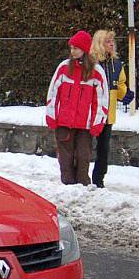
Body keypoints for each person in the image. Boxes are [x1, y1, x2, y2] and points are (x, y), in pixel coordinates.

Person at [45, 30, 109, 186]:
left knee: (83, 157)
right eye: (71, 48)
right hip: (64, 123)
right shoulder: (63, 68)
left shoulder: (97, 72)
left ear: (85, 49)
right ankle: (67, 186)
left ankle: (82, 186)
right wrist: (51, 116)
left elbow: (101, 100)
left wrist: (98, 122)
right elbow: (53, 93)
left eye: (76, 48)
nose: (72, 51)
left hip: (85, 125)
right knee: (65, 159)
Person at [90, 30, 134, 188]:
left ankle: (98, 180)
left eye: (112, 41)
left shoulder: (116, 64)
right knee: (84, 148)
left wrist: (126, 95)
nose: (112, 44)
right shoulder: (90, 63)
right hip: (90, 114)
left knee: (103, 149)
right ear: (100, 43)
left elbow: (120, 84)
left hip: (108, 115)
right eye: (108, 41)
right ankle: (80, 178)